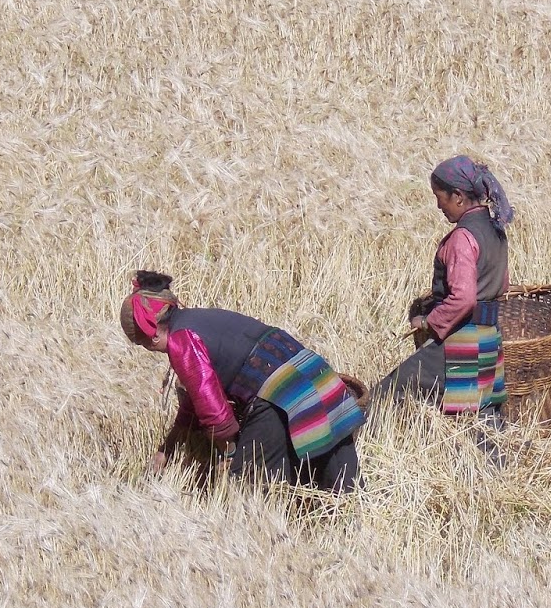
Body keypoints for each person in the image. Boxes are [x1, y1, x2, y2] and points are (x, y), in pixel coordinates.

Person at [121, 270, 363, 492]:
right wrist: (168, 448)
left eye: (143, 344)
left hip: (279, 395)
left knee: (247, 489)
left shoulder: (181, 340)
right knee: (345, 491)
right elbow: (196, 398)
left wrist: (229, 453)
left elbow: (212, 409)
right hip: (320, 379)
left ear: (151, 336)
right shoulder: (201, 319)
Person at [370, 156, 512, 457]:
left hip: (460, 340)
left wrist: (428, 322)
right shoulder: (494, 229)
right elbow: (503, 284)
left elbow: (463, 298)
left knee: (388, 393)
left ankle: (359, 455)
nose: (438, 206)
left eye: (440, 197)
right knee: (483, 411)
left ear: (458, 196)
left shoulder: (462, 238)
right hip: (488, 338)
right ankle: (496, 470)